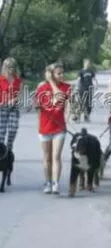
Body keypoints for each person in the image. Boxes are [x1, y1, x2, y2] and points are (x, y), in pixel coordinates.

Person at [34, 63, 71, 194]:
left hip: (59, 127)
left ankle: (56, 183)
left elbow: (60, 96)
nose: (62, 75)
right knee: (47, 157)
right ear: (51, 74)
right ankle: (48, 182)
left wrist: (51, 81)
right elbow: (36, 106)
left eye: (62, 72)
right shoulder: (41, 87)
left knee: (56, 156)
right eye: (58, 73)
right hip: (44, 127)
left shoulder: (66, 87)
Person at [0, 57, 22, 154]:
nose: (11, 70)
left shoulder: (18, 81)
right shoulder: (1, 80)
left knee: (13, 129)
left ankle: (9, 148)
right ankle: (1, 152)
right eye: (8, 67)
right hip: (2, 108)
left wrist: (15, 99)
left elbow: (20, 95)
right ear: (4, 68)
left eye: (13, 67)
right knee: (1, 133)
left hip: (14, 108)